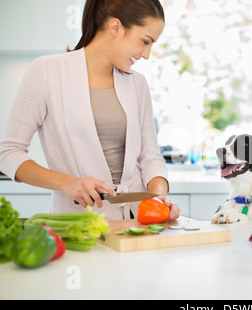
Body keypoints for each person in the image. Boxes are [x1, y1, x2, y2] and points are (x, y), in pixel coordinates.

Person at [0, 0, 180, 221]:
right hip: (78, 223)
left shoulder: (137, 84)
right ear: (115, 28)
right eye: (145, 41)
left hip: (136, 220)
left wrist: (159, 198)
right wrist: (67, 183)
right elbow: (8, 153)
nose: (146, 54)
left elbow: (150, 156)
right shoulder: (47, 72)